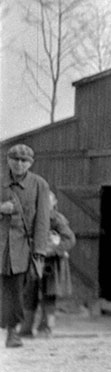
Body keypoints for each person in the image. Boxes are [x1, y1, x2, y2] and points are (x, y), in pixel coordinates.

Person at [1, 144, 51, 348]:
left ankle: (12, 332)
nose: (19, 164)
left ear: (31, 163)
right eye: (15, 159)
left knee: (16, 291)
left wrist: (39, 250)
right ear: (8, 161)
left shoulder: (39, 185)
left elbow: (43, 220)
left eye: (24, 161)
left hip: (22, 248)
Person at [22, 191, 76, 337]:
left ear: (54, 203)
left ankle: (45, 329)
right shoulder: (30, 219)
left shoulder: (57, 220)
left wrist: (52, 250)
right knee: (29, 294)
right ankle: (26, 328)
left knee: (48, 295)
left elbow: (69, 239)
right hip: (34, 263)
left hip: (52, 265)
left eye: (47, 202)